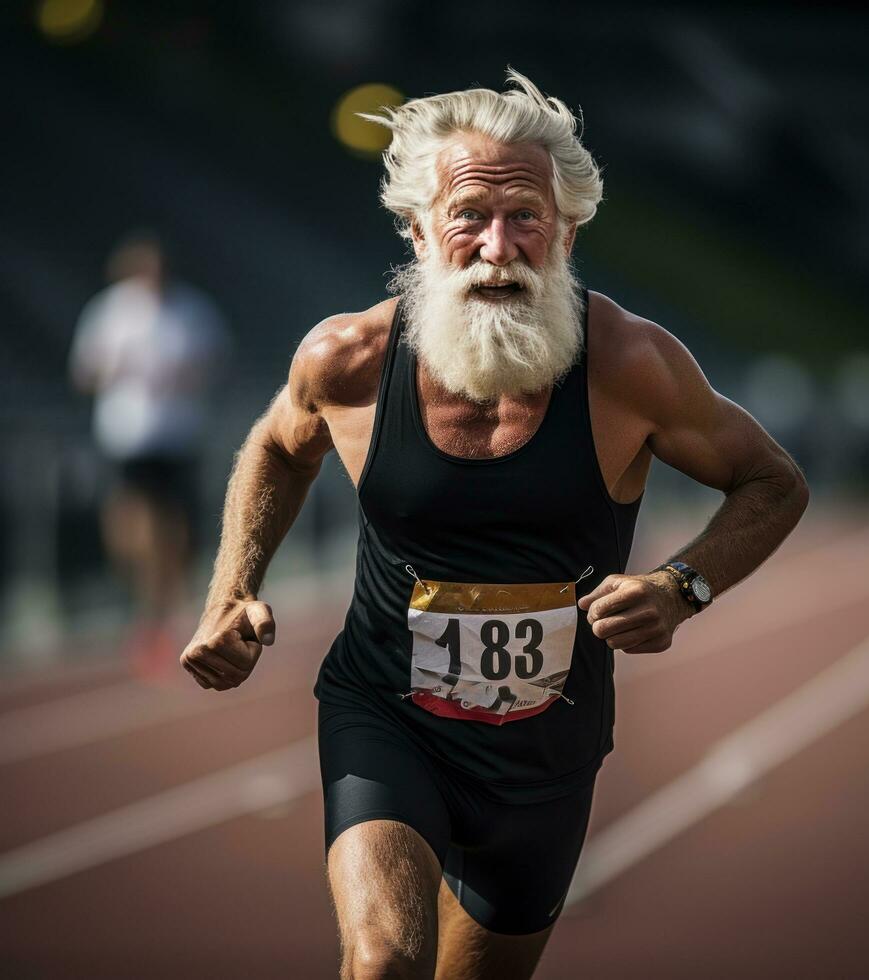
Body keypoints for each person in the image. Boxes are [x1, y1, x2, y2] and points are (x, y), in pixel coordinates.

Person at [179, 70, 809, 979]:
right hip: (385, 714)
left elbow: (771, 482)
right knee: (382, 963)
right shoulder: (349, 360)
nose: (497, 247)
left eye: (526, 217)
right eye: (469, 215)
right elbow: (279, 448)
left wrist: (683, 587)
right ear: (420, 229)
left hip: (548, 750)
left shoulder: (630, 364)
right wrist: (230, 595)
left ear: (568, 229)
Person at [70, 231, 229, 677]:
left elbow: (214, 362)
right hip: (127, 435)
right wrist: (116, 371)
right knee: (132, 525)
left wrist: (184, 376)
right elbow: (85, 373)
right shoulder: (108, 312)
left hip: (177, 434)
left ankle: (163, 606)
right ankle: (145, 589)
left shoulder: (191, 311)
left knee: (173, 528)